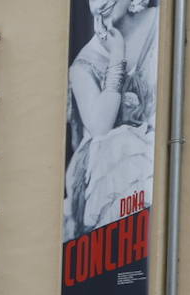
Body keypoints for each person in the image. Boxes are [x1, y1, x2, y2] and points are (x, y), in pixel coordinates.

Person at [63, 0, 158, 241]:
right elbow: (100, 128)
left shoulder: (159, 24)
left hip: (156, 147)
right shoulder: (84, 64)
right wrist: (117, 56)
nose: (101, 2)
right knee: (120, 142)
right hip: (107, 164)